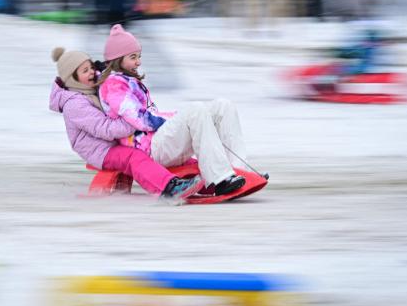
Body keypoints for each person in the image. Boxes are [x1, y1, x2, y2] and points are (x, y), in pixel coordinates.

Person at [98, 24, 265, 196]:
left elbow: (151, 116)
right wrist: (175, 118)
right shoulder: (113, 85)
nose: (138, 62)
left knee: (223, 107)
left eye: (139, 56)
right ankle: (220, 179)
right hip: (149, 150)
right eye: (133, 57)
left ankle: (240, 171)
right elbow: (140, 119)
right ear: (118, 60)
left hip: (159, 141)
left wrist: (175, 118)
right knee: (195, 110)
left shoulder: (128, 81)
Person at [49, 47, 203, 204]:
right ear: (72, 79)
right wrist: (135, 121)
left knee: (166, 151)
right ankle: (168, 188)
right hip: (100, 150)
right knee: (134, 157)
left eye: (91, 67)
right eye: (85, 70)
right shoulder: (74, 105)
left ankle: (211, 181)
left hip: (117, 139)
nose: (91, 72)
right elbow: (104, 128)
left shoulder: (91, 85)